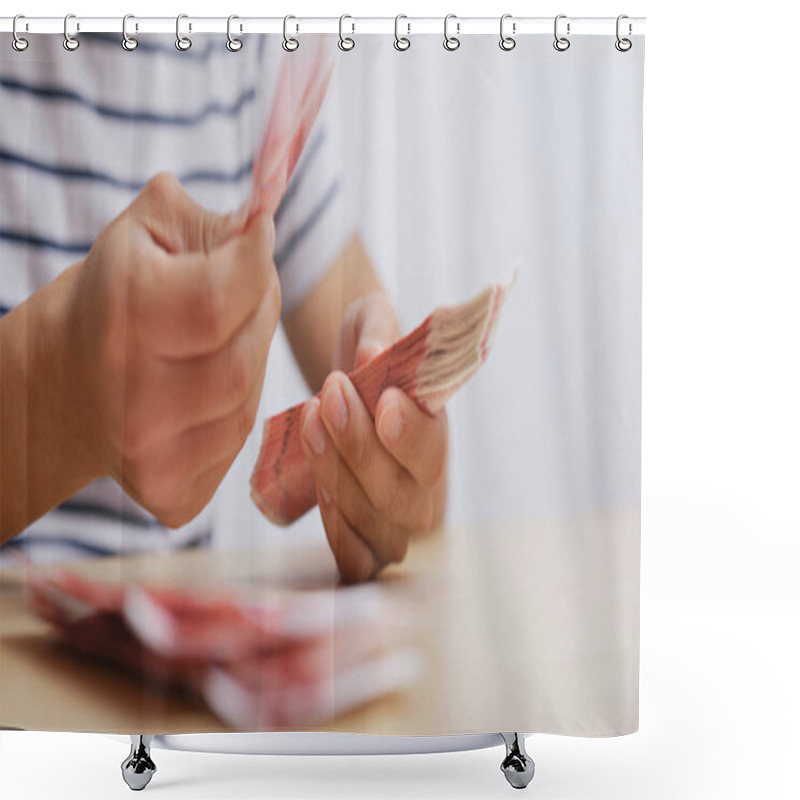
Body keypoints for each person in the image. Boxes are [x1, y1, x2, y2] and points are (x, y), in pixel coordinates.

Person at [0, 33, 447, 583]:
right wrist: (57, 399)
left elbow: (422, 502)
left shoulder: (253, 53)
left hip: (164, 648)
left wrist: (396, 466)